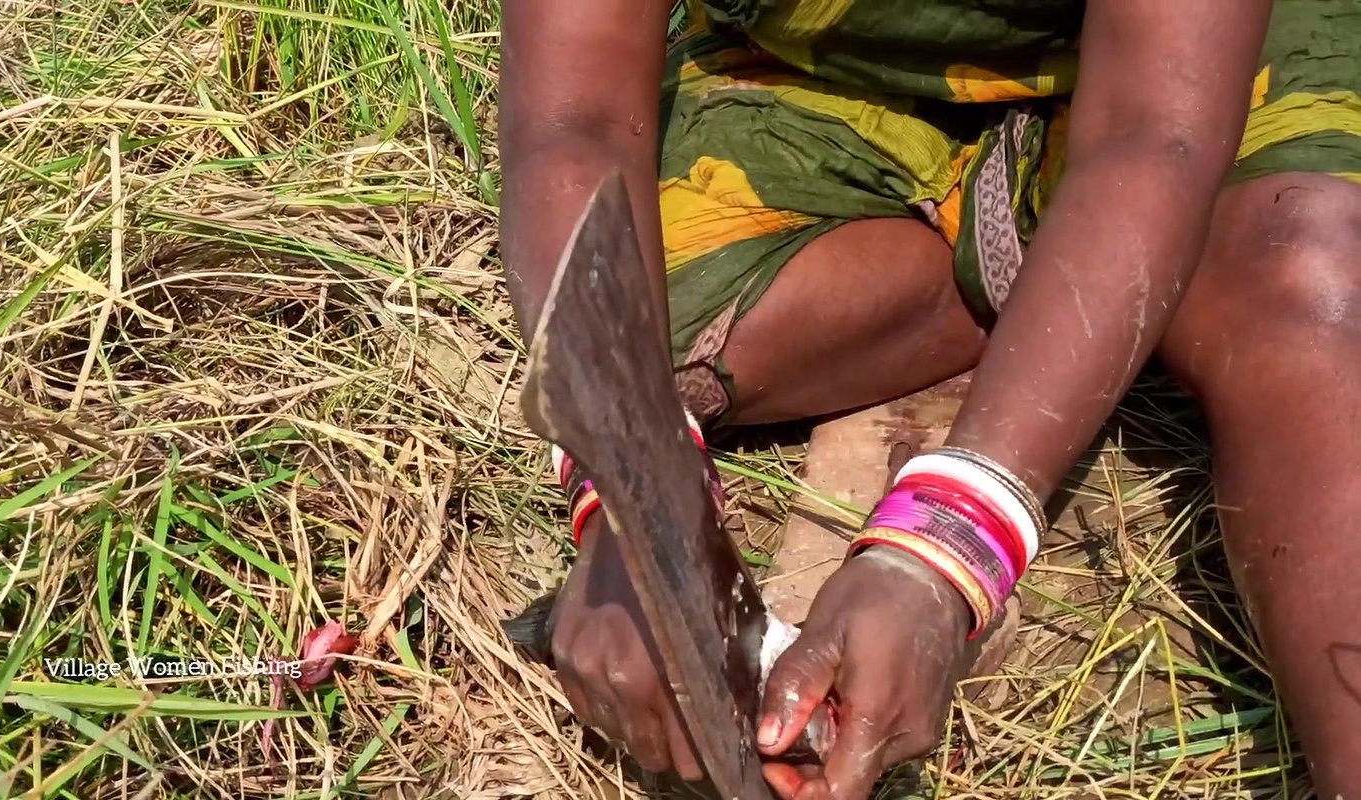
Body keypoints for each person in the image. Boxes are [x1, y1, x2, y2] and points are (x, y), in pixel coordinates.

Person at [496, 0, 1361, 796]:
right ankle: (1064, 251)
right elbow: (581, 121)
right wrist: (637, 503)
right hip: (843, 56)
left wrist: (947, 544)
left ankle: (1118, 261)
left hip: (1193, 62)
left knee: (1300, 285)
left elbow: (1154, 131)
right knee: (656, 326)